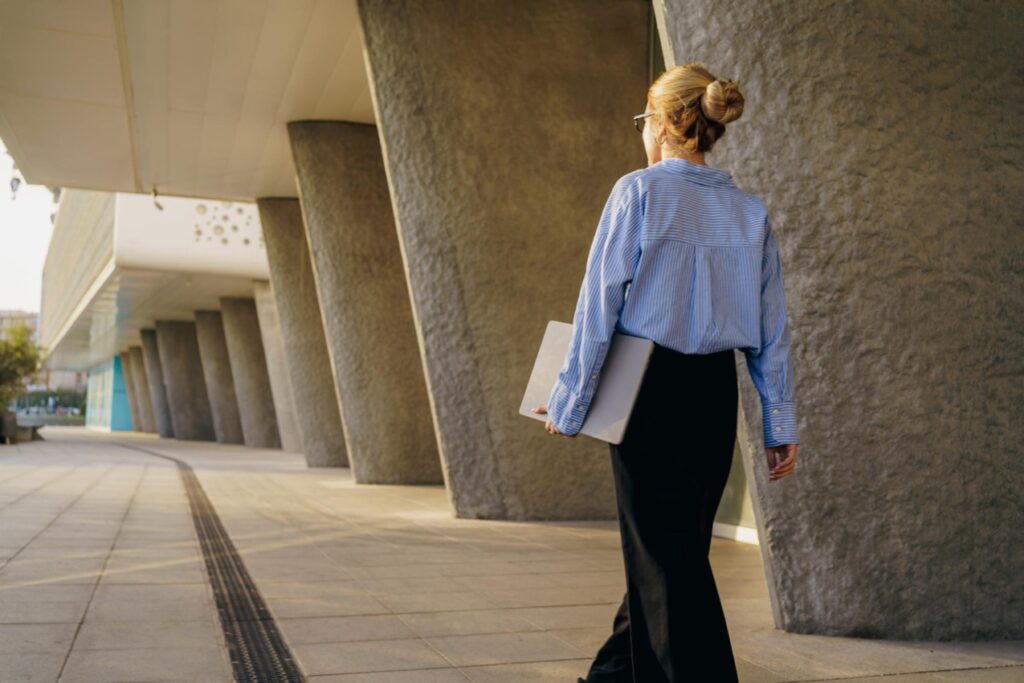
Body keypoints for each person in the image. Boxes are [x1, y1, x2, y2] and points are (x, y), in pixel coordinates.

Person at [531, 62, 800, 682]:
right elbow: (771, 334)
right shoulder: (749, 213)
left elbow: (599, 305)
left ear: (662, 123)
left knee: (665, 559)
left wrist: (570, 401)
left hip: (646, 393)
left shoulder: (638, 192)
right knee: (671, 553)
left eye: (644, 120)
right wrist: (778, 424)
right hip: (712, 395)